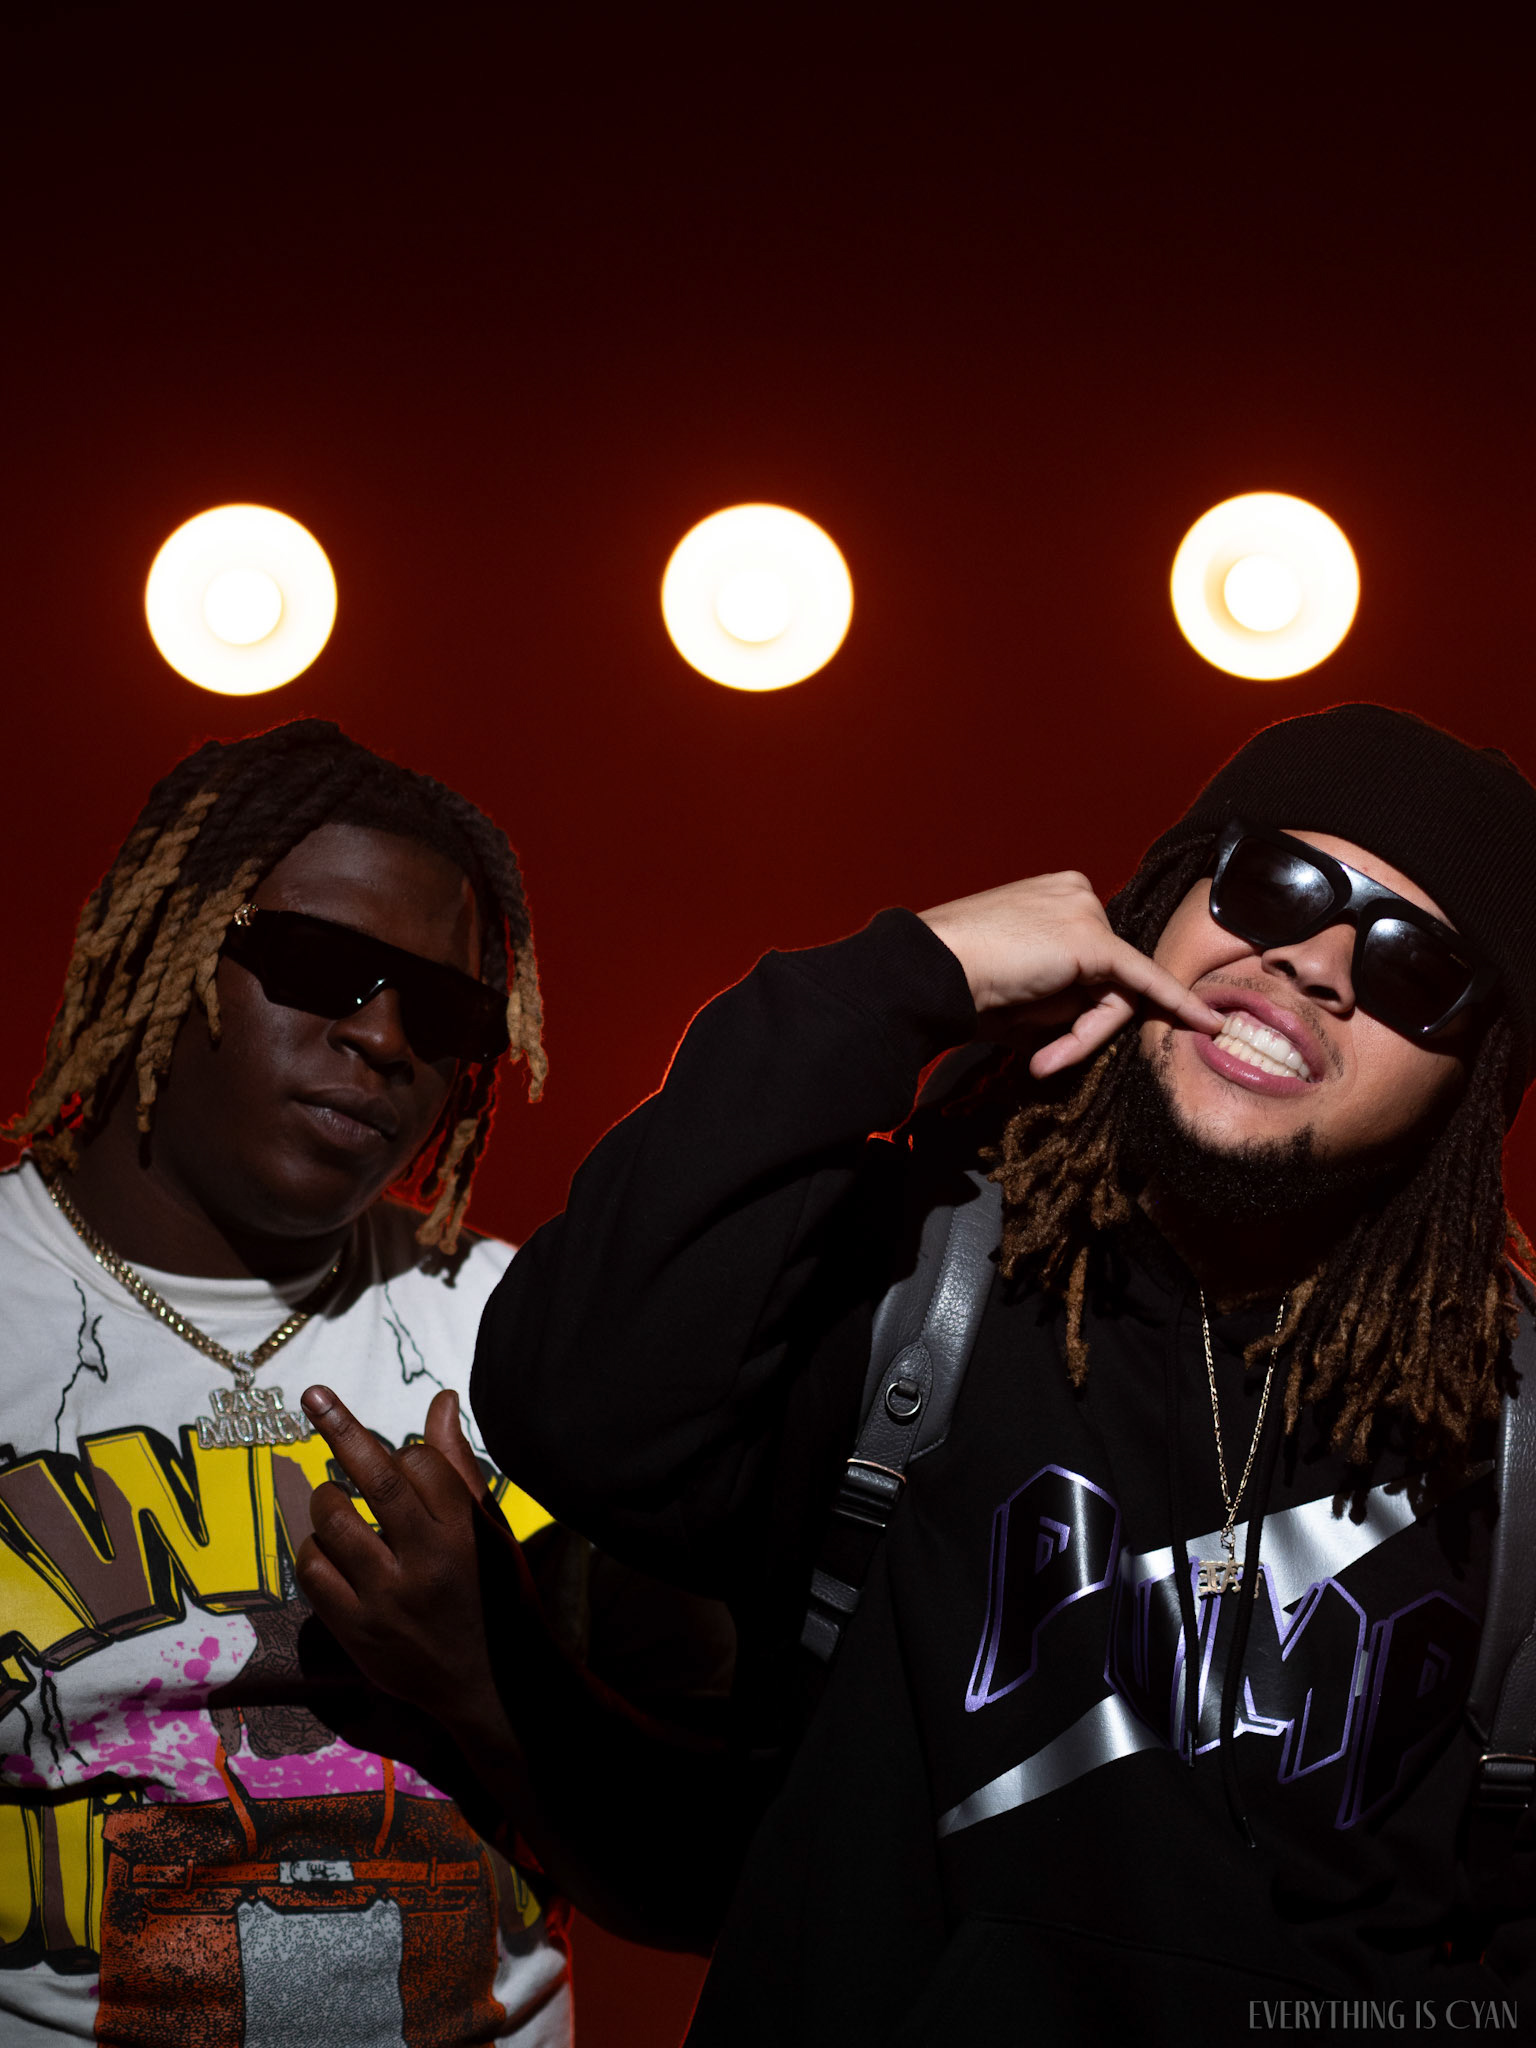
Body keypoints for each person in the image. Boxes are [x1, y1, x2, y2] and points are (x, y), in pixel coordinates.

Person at [466, 703, 1536, 2044]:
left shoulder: (1513, 1439)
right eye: (1277, 883)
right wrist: (907, 975)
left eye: (1415, 966)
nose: (1315, 961)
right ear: (1167, 901)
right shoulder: (924, 1281)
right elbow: (570, 1411)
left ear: (1471, 1084)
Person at [0, 719, 728, 2046]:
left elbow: (704, 1874)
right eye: (324, 968)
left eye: (443, 1014)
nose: (384, 1036)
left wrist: (484, 1675)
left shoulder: (529, 1340)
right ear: (167, 954)